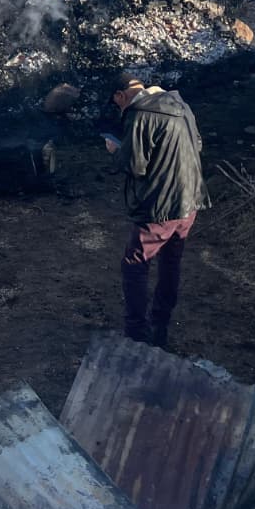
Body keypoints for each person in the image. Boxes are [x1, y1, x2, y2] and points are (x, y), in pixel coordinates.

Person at [103, 70, 208, 349]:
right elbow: (197, 144)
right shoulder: (179, 105)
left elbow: (134, 165)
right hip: (190, 201)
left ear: (121, 95)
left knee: (135, 263)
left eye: (118, 104)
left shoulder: (140, 114)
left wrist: (117, 150)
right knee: (170, 262)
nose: (120, 109)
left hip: (161, 208)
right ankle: (160, 326)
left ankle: (137, 333)